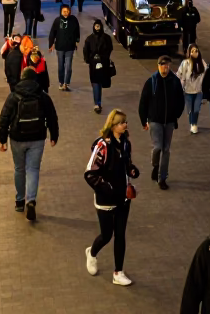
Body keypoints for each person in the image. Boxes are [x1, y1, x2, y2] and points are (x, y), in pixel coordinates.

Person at [84, 108, 139, 286]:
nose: (125, 125)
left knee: (120, 234)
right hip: (106, 199)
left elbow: (126, 163)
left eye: (125, 122)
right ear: (113, 126)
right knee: (107, 235)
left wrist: (131, 169)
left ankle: (118, 272)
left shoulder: (125, 143)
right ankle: (92, 253)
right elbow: (90, 173)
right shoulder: (102, 146)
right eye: (122, 122)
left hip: (123, 198)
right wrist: (105, 188)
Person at [0, 65, 59, 220]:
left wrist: (2, 139)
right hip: (37, 137)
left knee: (19, 169)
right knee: (33, 169)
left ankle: (19, 201)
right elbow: (52, 116)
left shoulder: (14, 95)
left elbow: (4, 117)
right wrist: (54, 135)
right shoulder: (43, 95)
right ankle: (31, 200)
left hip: (17, 137)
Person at [137, 55, 185, 190]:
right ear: (158, 66)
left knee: (166, 149)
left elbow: (181, 100)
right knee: (157, 147)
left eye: (168, 65)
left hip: (169, 121)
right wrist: (143, 121)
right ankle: (155, 165)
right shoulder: (152, 81)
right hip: (155, 121)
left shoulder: (175, 81)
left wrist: (176, 115)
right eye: (163, 65)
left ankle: (162, 177)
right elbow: (143, 102)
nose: (166, 67)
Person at [84, 19, 114, 114]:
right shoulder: (89, 39)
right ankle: (97, 103)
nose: (97, 28)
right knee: (96, 83)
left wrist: (103, 58)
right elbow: (86, 51)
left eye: (98, 26)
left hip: (103, 64)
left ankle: (97, 102)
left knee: (99, 83)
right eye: (96, 26)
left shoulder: (106, 38)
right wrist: (89, 60)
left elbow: (109, 49)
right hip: (93, 65)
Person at [49, 3, 81, 90]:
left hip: (70, 47)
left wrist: (77, 41)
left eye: (67, 11)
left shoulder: (73, 20)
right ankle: (61, 82)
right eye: (64, 11)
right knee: (60, 66)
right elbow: (52, 33)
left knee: (68, 66)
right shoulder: (57, 21)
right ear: (61, 12)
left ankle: (66, 83)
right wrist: (51, 44)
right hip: (60, 47)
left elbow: (77, 31)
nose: (66, 13)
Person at [177, 45, 205, 134]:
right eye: (192, 51)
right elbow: (179, 74)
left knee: (196, 109)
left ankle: (194, 124)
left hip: (198, 91)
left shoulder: (202, 63)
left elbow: (206, 74)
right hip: (188, 91)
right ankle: (192, 123)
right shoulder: (185, 63)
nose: (195, 53)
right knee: (190, 110)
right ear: (189, 52)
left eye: (196, 51)